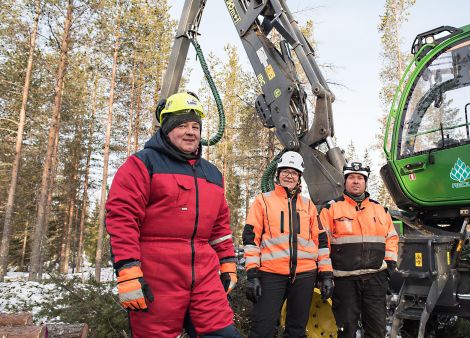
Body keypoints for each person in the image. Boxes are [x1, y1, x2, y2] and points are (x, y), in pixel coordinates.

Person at [105, 92, 241, 337]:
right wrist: (127, 270)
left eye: (195, 126)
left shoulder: (212, 174)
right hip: (157, 276)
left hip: (205, 277)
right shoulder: (142, 164)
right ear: (166, 129)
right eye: (181, 126)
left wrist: (228, 264)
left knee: (224, 334)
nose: (190, 132)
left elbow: (220, 229)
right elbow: (122, 219)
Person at [242, 151, 334, 338]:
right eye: (285, 171)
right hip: (271, 275)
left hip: (304, 276)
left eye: (294, 172)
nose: (289, 175)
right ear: (278, 174)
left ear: (299, 177)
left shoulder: (308, 206)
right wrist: (252, 274)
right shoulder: (263, 201)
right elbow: (251, 239)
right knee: (262, 329)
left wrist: (325, 275)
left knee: (296, 330)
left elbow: (321, 242)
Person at [318, 161, 399, 338]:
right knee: (345, 331)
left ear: (365, 182)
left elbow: (391, 237)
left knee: (376, 330)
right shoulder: (331, 209)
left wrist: (390, 263)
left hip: (375, 280)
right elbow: (322, 245)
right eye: (352, 178)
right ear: (345, 181)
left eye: (360, 178)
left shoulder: (379, 210)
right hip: (344, 282)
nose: (356, 181)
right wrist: (325, 275)